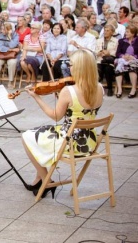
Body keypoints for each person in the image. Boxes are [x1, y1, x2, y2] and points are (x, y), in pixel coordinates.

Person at [22, 49, 104, 198]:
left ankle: (46, 180)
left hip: (70, 141)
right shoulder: (100, 88)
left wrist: (36, 97)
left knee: (27, 136)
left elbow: (55, 116)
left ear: (79, 67)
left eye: (71, 64)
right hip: (90, 141)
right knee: (42, 135)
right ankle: (38, 179)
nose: (69, 67)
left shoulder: (69, 90)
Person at [114, 25, 138, 98]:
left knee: (132, 67)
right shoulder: (121, 41)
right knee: (118, 67)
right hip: (123, 59)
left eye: (127, 32)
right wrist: (123, 56)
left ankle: (133, 89)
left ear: (133, 33)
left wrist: (133, 57)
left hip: (134, 59)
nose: (125, 33)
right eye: (125, 32)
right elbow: (118, 53)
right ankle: (119, 90)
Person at [96, 24, 118, 97]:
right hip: (100, 60)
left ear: (112, 32)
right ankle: (96, 88)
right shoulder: (99, 40)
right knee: (98, 68)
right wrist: (99, 52)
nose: (105, 32)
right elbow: (94, 51)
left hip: (109, 61)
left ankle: (109, 88)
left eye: (108, 31)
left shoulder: (116, 41)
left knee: (108, 69)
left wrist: (109, 53)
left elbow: (116, 52)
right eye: (105, 30)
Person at [0, 22, 20, 88]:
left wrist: (9, 37)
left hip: (12, 56)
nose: (2, 31)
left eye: (4, 29)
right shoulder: (1, 35)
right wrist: (12, 50)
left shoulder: (16, 36)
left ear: (9, 29)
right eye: (2, 29)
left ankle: (10, 81)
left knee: (12, 63)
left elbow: (12, 45)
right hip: (3, 54)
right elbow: (0, 47)